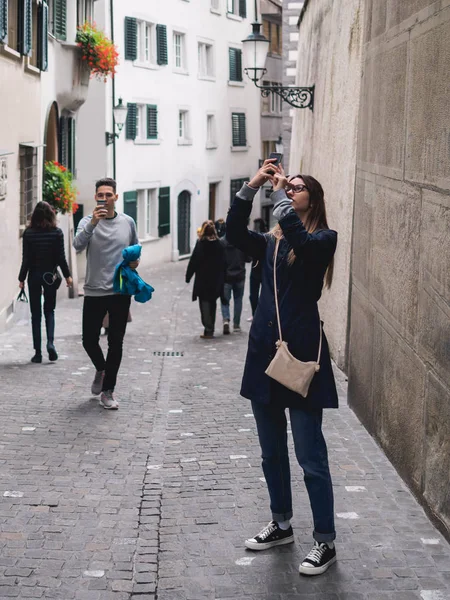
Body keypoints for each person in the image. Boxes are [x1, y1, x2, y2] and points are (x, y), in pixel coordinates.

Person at [226, 159, 339, 576]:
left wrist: (280, 201)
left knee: (310, 456)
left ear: (313, 198)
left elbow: (306, 253)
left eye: (296, 187)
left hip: (302, 359)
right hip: (264, 356)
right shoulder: (270, 243)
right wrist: (252, 186)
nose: (288, 188)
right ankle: (282, 523)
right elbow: (233, 233)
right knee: (271, 452)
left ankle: (325, 541)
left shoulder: (324, 239)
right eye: (286, 185)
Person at [73, 177, 139, 410]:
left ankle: (108, 390)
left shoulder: (127, 222)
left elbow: (134, 250)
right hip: (93, 290)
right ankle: (102, 369)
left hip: (120, 291)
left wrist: (134, 263)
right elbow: (77, 245)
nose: (104, 199)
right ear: (96, 197)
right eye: (100, 195)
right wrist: (92, 223)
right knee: (89, 340)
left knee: (116, 342)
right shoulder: (86, 222)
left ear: (116, 197)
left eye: (108, 195)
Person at [18, 201, 73, 363]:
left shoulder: (28, 234)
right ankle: (50, 343)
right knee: (49, 310)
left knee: (36, 314)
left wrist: (21, 279)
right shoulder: (57, 233)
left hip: (34, 276)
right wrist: (68, 276)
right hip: (49, 277)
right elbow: (61, 258)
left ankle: (37, 353)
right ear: (51, 215)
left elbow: (26, 260)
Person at [185, 220, 225, 339]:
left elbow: (193, 261)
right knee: (212, 304)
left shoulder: (201, 244)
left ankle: (208, 328)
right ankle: (210, 327)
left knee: (204, 305)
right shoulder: (219, 245)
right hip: (216, 280)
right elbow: (224, 263)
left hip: (203, 280)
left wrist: (188, 276)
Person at [220, 229, 248, 334]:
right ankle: (236, 325)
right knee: (238, 300)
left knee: (225, 300)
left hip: (226, 276)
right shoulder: (241, 242)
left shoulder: (222, 242)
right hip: (240, 275)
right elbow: (248, 258)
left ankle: (226, 320)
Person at [248, 218, 268, 321]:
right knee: (254, 295)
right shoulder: (262, 236)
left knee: (256, 295)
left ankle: (256, 314)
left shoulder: (263, 237)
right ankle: (256, 314)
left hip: (261, 269)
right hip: (259, 269)